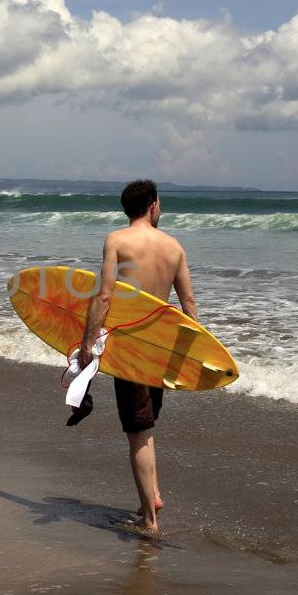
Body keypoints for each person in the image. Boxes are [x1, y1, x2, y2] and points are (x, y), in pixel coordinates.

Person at [76, 179, 197, 533]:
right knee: (146, 426)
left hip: (130, 349)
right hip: (159, 349)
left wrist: (87, 343)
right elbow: (188, 305)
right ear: (153, 205)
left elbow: (104, 297)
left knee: (138, 431)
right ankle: (153, 496)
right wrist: (191, 355)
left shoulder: (117, 241)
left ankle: (149, 519)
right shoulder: (174, 248)